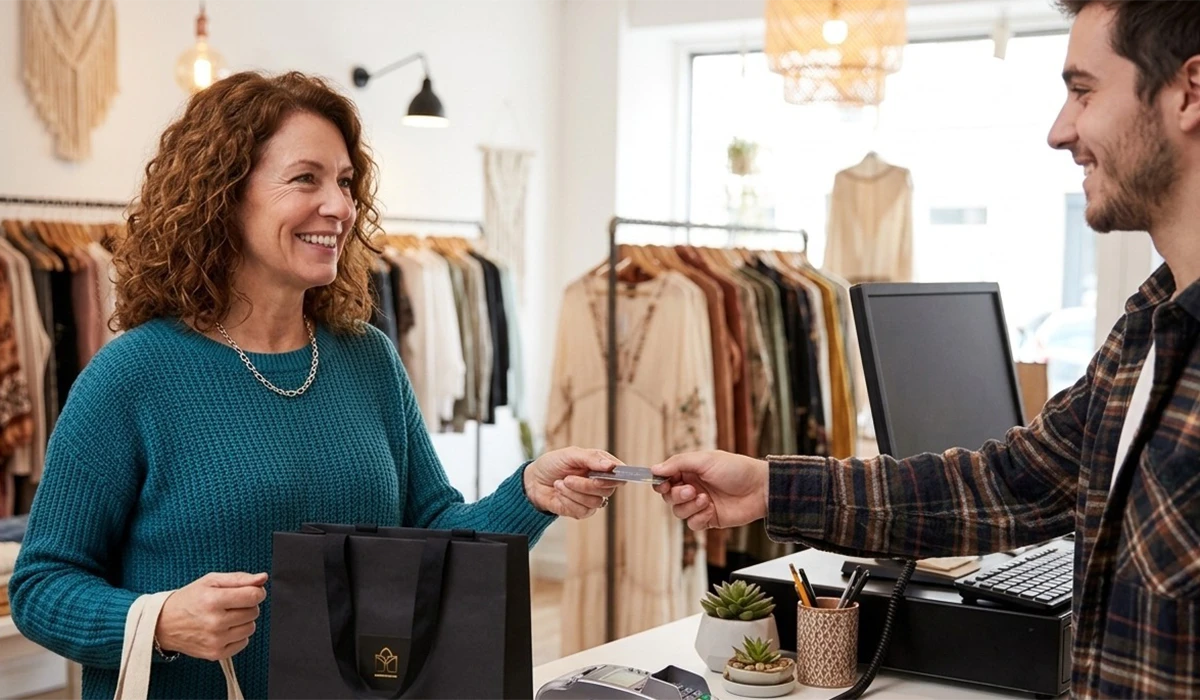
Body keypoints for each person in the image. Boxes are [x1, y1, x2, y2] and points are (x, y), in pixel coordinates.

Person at [8, 71, 620, 700]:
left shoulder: (367, 358)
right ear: (223, 194)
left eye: (346, 182)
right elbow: (42, 584)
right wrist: (161, 621)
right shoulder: (133, 375)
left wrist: (529, 491)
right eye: (307, 178)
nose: (340, 206)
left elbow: (432, 530)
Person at [654, 1, 1200, 697]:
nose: (1060, 130)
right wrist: (767, 485)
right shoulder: (1145, 335)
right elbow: (1005, 485)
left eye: (1083, 90)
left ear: (1188, 92)